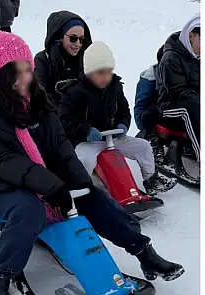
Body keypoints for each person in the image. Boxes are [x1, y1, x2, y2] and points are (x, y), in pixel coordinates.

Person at [0, 31, 184, 295]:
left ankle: (144, 252)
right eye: (17, 71)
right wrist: (52, 187)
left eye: (27, 69)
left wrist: (79, 184)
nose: (26, 77)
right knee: (28, 209)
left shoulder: (38, 105)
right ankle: (0, 281)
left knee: (92, 196)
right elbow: (3, 162)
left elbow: (61, 151)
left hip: (39, 178)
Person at [58, 41, 176, 195]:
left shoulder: (115, 87)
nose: (105, 77)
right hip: (88, 141)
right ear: (89, 72)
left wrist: (123, 124)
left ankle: (151, 179)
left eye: (108, 72)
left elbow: (124, 110)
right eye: (100, 72)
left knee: (143, 146)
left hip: (113, 137)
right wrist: (85, 130)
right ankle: (83, 190)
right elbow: (65, 120)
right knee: (85, 159)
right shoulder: (74, 92)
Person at [156, 15, 200, 163]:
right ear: (191, 36)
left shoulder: (195, 57)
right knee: (193, 110)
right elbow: (177, 90)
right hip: (169, 105)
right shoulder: (171, 58)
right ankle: (204, 159)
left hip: (189, 103)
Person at [34, 11, 92, 106]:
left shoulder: (86, 59)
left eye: (81, 39)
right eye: (73, 38)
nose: (78, 44)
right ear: (60, 37)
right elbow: (41, 95)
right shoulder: (43, 59)